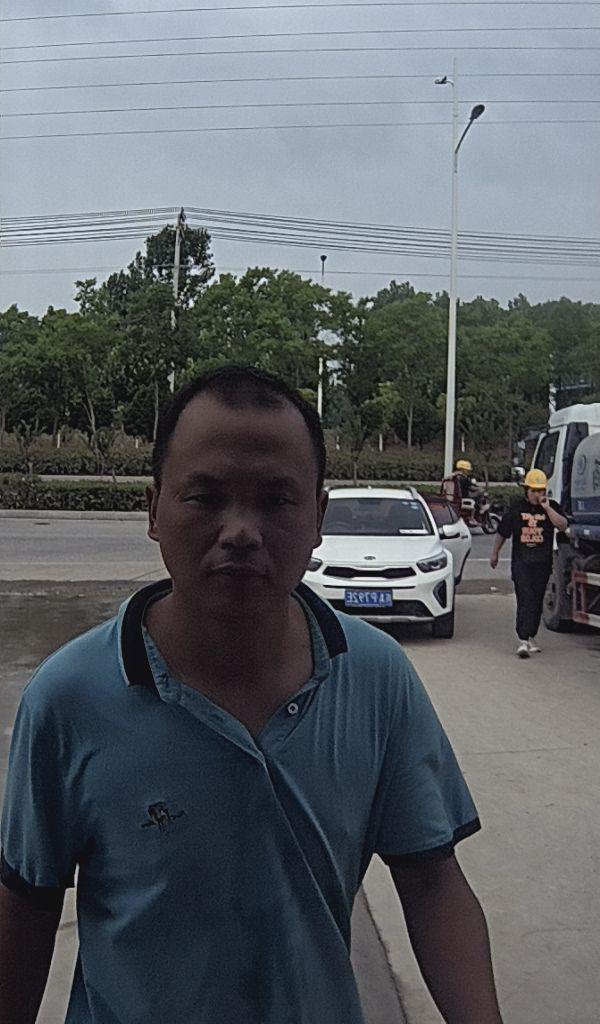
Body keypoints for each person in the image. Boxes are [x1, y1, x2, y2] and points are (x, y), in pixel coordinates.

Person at [0, 365, 503, 1024]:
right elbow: (25, 907)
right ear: (153, 510)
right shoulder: (70, 698)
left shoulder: (375, 678)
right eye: (205, 497)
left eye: (275, 500)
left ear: (317, 517)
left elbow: (432, 883)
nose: (241, 530)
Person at [490, 468, 568, 658]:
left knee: (537, 600)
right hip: (522, 562)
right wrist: (495, 553)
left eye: (540, 490)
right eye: (533, 490)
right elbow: (502, 532)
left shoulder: (551, 507)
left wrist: (547, 508)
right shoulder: (517, 508)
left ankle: (531, 636)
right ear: (527, 490)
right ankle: (523, 639)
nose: (536, 494)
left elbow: (562, 525)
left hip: (542, 562)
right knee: (524, 598)